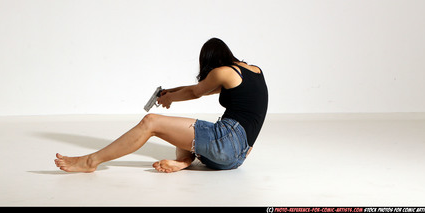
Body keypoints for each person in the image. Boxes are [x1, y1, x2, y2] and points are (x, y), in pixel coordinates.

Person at [54, 37, 269, 173]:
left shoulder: (222, 72)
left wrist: (169, 100)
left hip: (226, 142)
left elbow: (196, 92)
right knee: (189, 127)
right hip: (236, 158)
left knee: (151, 122)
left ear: (211, 62)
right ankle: (184, 161)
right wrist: (170, 91)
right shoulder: (252, 71)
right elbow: (205, 89)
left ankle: (91, 161)